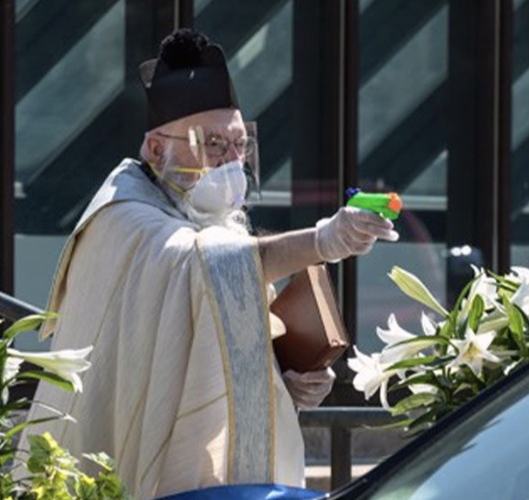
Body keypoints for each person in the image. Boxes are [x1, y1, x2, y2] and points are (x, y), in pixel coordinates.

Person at [20, 28, 398, 499]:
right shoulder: (121, 217)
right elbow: (206, 266)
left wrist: (285, 380)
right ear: (156, 149)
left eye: (240, 144)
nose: (231, 161)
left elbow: (215, 333)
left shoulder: (215, 218)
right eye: (213, 144)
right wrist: (323, 241)